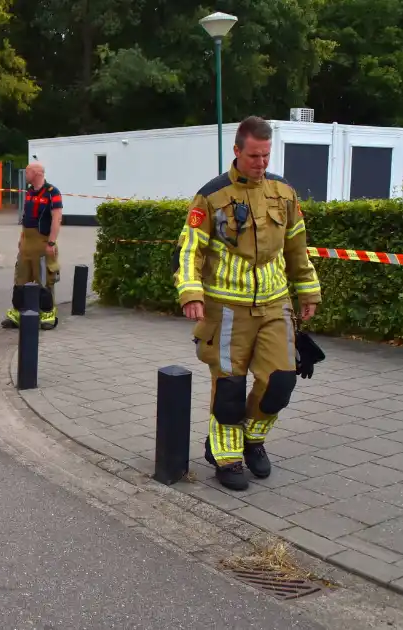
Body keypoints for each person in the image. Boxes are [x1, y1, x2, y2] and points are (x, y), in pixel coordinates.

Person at [173, 116, 323, 491]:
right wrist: (191, 293)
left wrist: (308, 291)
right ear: (237, 151)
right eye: (254, 155)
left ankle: (252, 439)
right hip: (226, 309)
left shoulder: (284, 193)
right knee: (229, 388)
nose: (261, 163)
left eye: (266, 155)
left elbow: (297, 248)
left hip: (275, 305)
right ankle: (226, 454)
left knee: (281, 381)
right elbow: (190, 249)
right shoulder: (211, 196)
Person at [2, 161, 62, 330]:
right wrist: (22, 238)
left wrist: (51, 242)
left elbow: (57, 219)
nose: (25, 175)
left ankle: (47, 315)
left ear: (36, 173)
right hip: (27, 241)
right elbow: (27, 216)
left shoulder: (52, 193)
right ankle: (17, 314)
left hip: (42, 241)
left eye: (28, 172)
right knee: (20, 278)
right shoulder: (28, 192)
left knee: (44, 279)